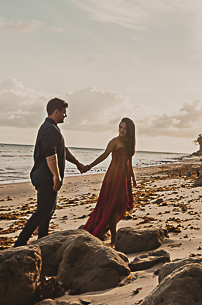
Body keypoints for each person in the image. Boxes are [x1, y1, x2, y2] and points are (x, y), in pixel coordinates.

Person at [14, 98, 88, 246]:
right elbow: (50, 153)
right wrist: (56, 175)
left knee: (48, 212)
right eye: (63, 113)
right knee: (43, 211)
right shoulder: (49, 129)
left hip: (46, 176)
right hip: (45, 177)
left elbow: (63, 150)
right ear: (56, 111)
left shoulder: (52, 128)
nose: (65, 116)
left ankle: (41, 241)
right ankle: (19, 244)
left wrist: (78, 164)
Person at [81, 117, 136, 242]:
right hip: (113, 177)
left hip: (123, 178)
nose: (121, 130)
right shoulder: (115, 141)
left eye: (125, 128)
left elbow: (129, 162)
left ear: (130, 131)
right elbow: (104, 155)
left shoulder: (129, 143)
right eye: (120, 127)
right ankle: (113, 238)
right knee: (111, 207)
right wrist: (89, 166)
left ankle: (112, 236)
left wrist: (132, 178)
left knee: (118, 207)